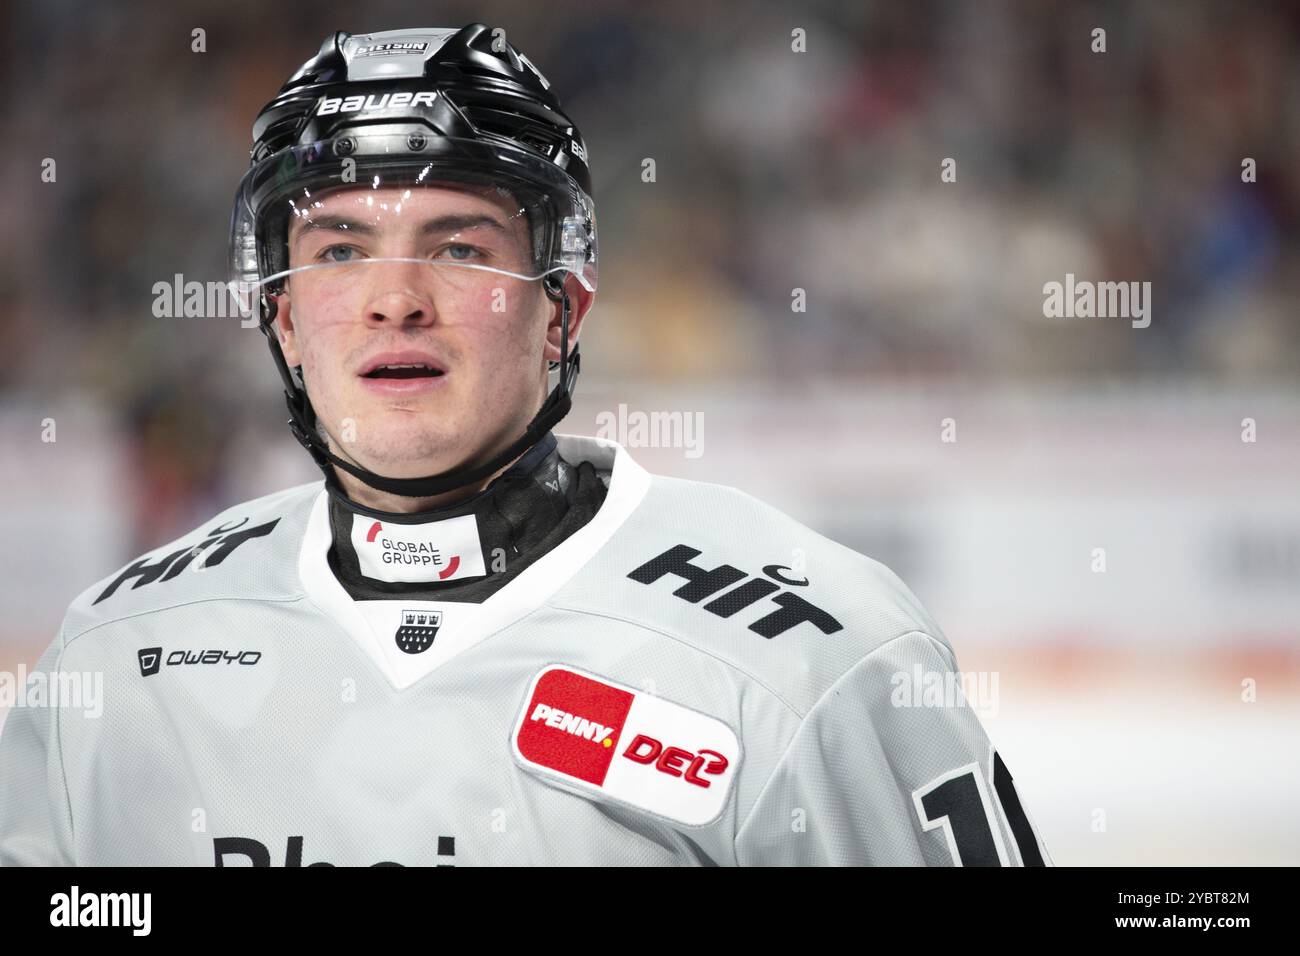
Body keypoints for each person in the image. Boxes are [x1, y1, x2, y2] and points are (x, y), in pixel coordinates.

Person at [0, 24, 1050, 866]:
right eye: (337, 249)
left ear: (563, 307)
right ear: (280, 316)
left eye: (458, 246)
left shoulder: (812, 660)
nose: (393, 301)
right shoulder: (117, 654)